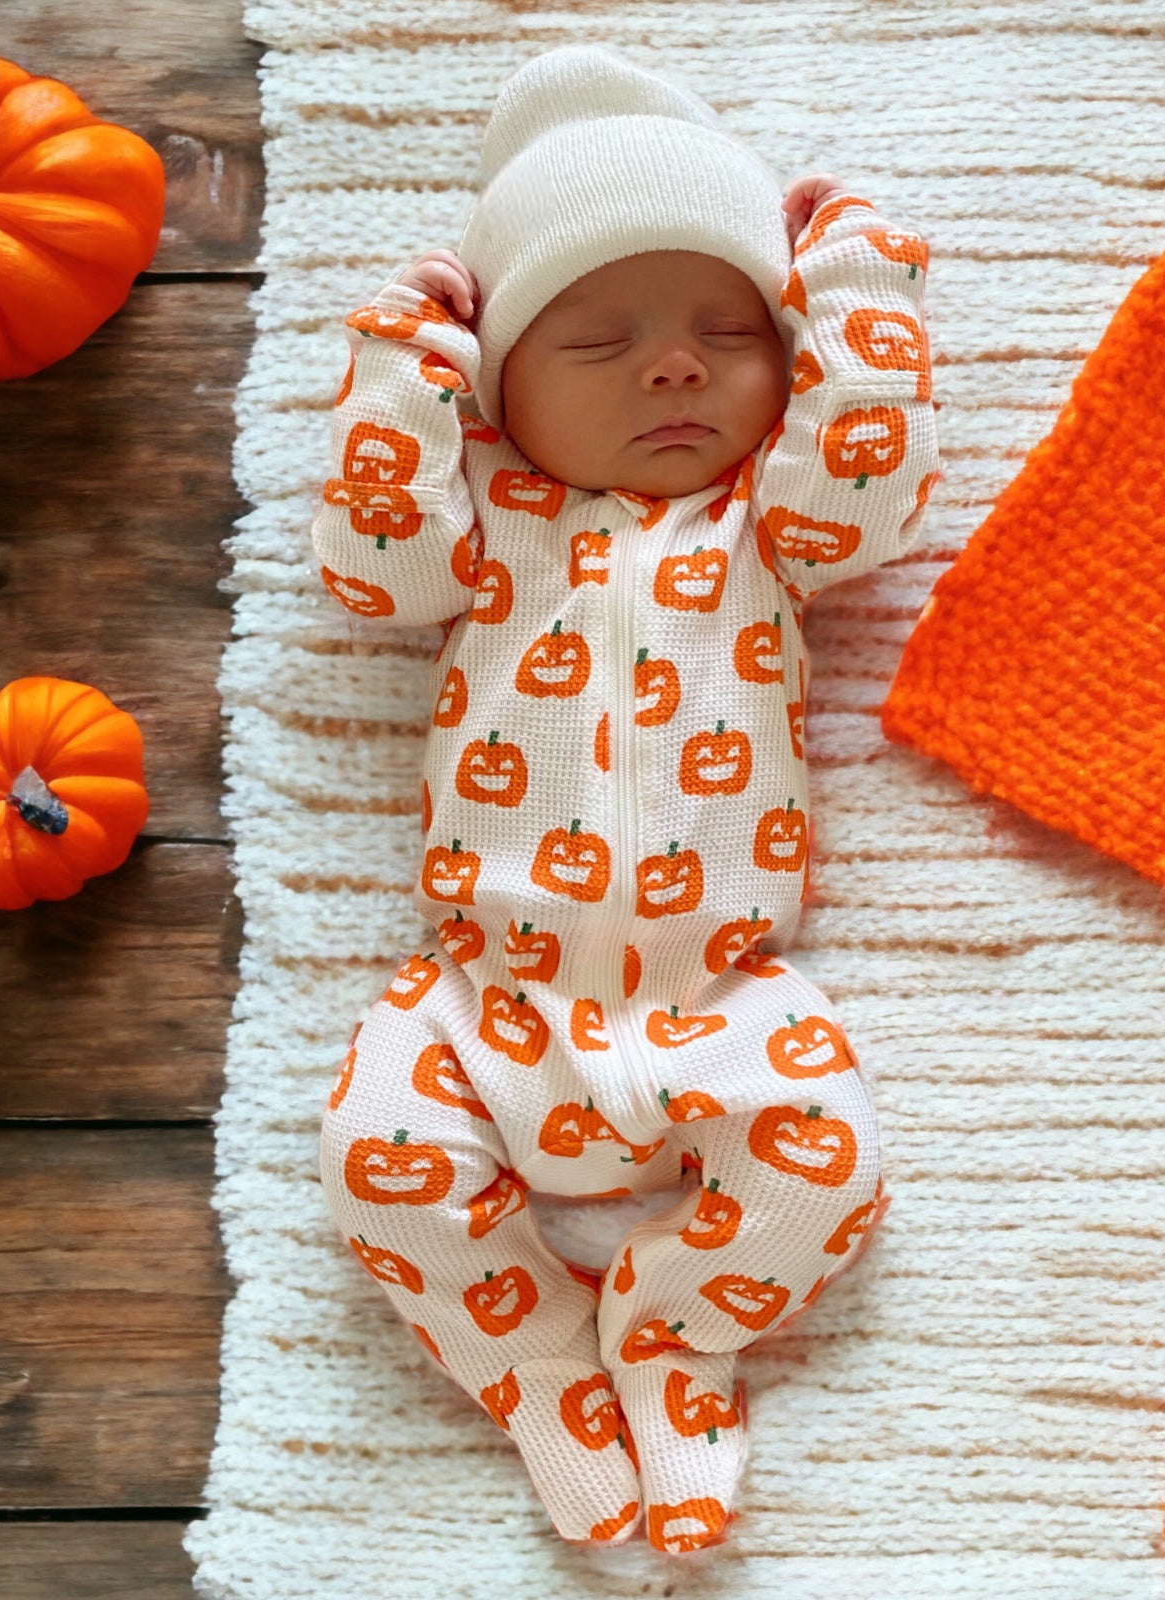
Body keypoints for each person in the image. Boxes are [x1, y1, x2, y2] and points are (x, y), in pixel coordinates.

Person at [315, 43, 939, 1556]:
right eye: (596, 342)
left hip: (719, 999)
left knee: (833, 1167)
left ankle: (670, 1340)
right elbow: (367, 561)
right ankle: (541, 1378)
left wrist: (855, 291)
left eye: (727, 332)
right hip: (483, 1001)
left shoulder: (762, 529)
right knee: (371, 1164)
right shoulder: (484, 533)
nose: (673, 366)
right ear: (504, 390)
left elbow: (869, 477)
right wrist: (406, 374)